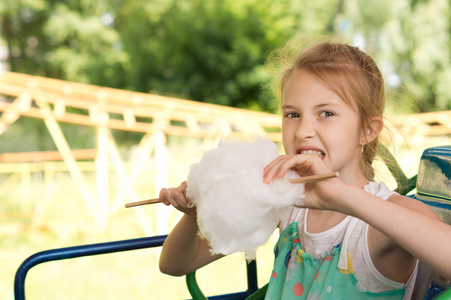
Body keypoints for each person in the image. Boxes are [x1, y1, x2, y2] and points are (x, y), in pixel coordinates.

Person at [158, 37, 450, 299]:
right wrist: (194, 214)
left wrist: (342, 196)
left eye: (326, 113)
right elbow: (175, 265)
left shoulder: (383, 221)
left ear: (367, 130)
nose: (303, 131)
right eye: (292, 114)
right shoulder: (285, 201)